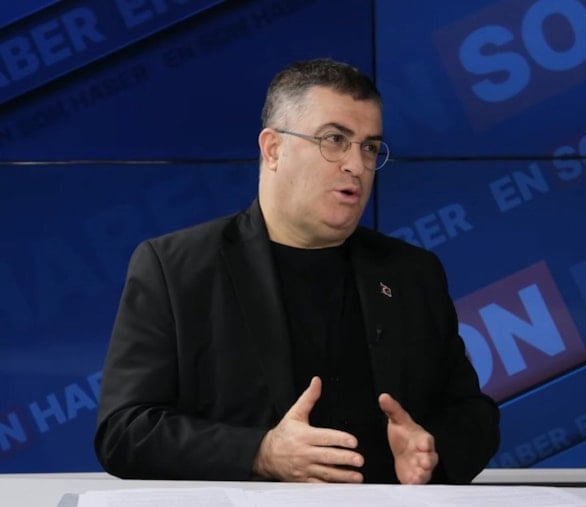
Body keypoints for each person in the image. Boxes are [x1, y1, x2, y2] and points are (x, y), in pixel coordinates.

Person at [94, 58, 499, 484]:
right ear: (273, 149)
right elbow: (125, 430)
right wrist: (260, 453)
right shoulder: (177, 268)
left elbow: (474, 415)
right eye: (335, 140)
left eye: (369, 147)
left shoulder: (412, 274)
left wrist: (431, 451)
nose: (356, 165)